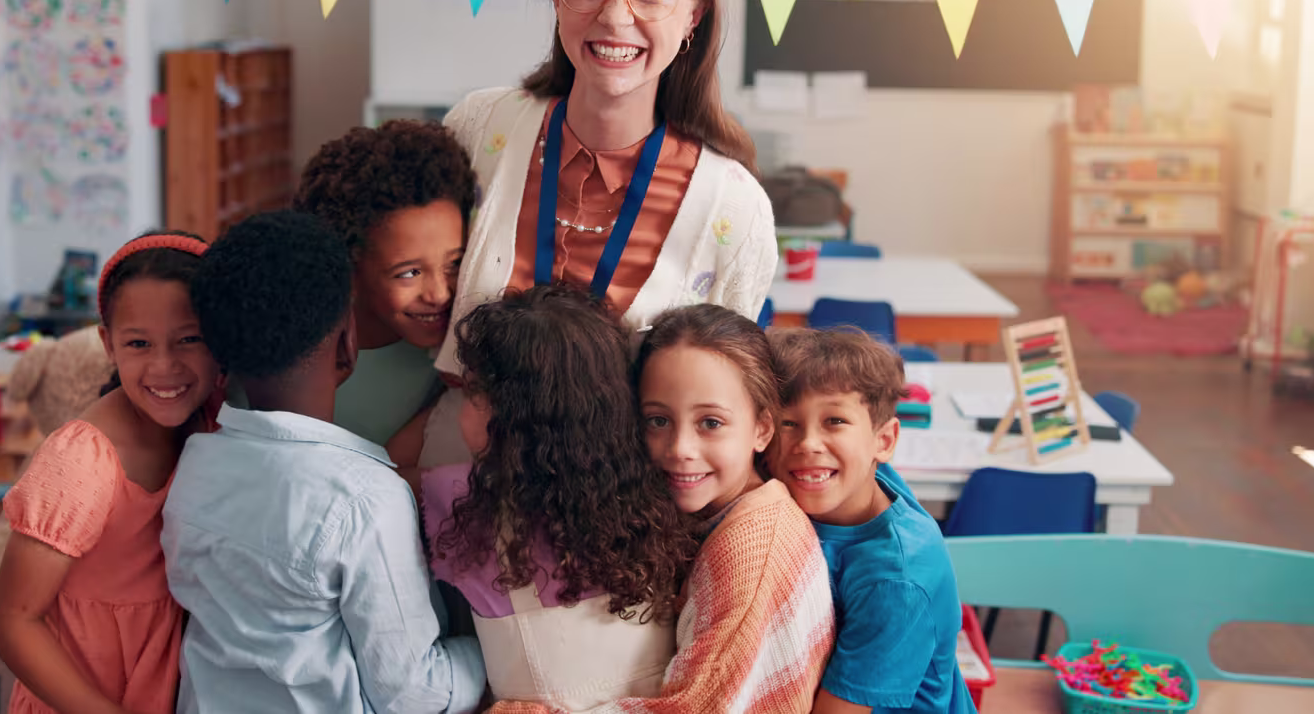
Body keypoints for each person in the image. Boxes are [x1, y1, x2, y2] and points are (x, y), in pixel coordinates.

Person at [422, 0, 778, 467]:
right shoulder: (479, 128)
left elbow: (722, 407)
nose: (616, 16)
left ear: (694, 13)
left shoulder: (733, 209)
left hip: (617, 509)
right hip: (456, 476)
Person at [164, 211, 485, 714]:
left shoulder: (194, 466)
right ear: (347, 343)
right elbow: (414, 696)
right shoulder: (364, 498)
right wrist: (489, 653)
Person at [494, 304, 831, 714]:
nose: (679, 449)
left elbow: (696, 708)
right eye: (657, 421)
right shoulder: (717, 513)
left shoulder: (754, 547)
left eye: (710, 423)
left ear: (762, 428)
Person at [426, 284, 695, 708]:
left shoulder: (453, 498)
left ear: (511, 418)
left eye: (472, 393)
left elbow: (381, 470)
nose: (463, 406)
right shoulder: (661, 502)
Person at [0, 230, 218, 714]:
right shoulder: (81, 463)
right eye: (139, 343)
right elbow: (13, 620)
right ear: (107, 344)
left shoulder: (214, 421)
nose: (165, 366)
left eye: (189, 339)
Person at [770, 326, 977, 714]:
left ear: (884, 441)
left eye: (835, 421)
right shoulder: (856, 480)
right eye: (788, 423)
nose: (808, 443)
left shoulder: (895, 580)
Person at [293, 120, 477, 463]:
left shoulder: (462, 350)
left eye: (454, 263)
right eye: (409, 273)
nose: (439, 293)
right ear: (349, 264)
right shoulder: (294, 360)